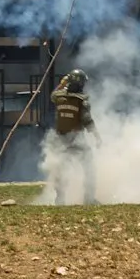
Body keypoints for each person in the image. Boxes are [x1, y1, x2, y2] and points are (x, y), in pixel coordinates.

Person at [49, 68, 101, 205]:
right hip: (77, 140)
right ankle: (89, 199)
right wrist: (97, 136)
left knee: (60, 169)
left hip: (60, 140)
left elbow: (52, 95)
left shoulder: (59, 97)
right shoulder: (81, 101)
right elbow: (87, 120)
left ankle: (60, 198)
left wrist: (62, 82)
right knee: (89, 168)